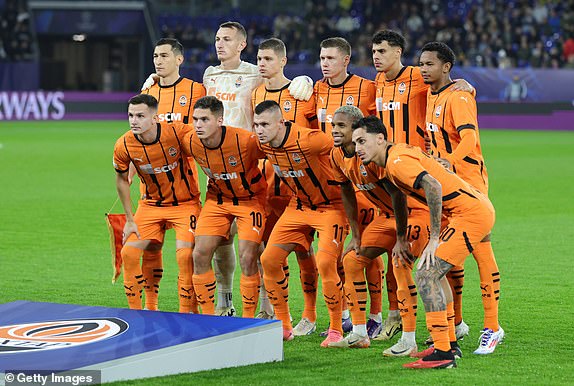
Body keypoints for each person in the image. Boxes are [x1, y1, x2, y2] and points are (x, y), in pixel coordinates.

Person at [351, 115, 497, 369]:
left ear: (380, 138)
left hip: (470, 215)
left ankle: (442, 354)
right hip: (469, 210)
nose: (358, 148)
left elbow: (433, 185)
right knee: (436, 275)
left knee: (427, 273)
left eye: (362, 141)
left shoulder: (396, 162)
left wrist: (434, 237)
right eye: (355, 143)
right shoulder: (394, 158)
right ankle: (449, 344)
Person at [372, 30, 473, 340]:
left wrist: (468, 86)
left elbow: (452, 83)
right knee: (396, 250)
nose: (376, 56)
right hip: (389, 174)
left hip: (418, 174)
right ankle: (399, 315)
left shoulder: (418, 75)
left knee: (436, 253)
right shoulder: (377, 82)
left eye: (382, 50)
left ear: (399, 52)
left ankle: (453, 322)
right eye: (373, 51)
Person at [420, 41, 503, 355]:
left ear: (446, 67)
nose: (424, 69)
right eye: (422, 64)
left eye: (430, 64)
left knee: (482, 254)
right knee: (449, 258)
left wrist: (450, 160)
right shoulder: (430, 94)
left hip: (470, 186)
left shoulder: (459, 97)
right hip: (446, 186)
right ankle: (455, 326)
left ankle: (492, 327)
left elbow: (470, 137)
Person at [327, 106, 429, 357]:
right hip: (387, 217)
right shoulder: (337, 155)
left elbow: (399, 196)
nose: (335, 131)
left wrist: (402, 239)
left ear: (357, 130)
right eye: (333, 126)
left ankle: (409, 339)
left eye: (342, 126)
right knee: (351, 260)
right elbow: (347, 193)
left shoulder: (375, 155)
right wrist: (357, 235)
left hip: (415, 213)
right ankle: (360, 333)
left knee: (400, 262)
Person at [254, 100, 348, 346]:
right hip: (298, 206)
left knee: (327, 262)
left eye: (264, 124)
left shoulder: (310, 140)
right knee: (269, 259)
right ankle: (284, 326)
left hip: (331, 207)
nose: (259, 130)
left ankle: (336, 329)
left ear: (280, 123)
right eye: (256, 125)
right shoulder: (264, 144)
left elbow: (342, 145)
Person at [252, 37, 319, 330]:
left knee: (305, 251)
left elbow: (318, 137)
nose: (262, 64)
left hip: (301, 189)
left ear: (283, 61)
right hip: (266, 189)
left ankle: (310, 314)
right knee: (268, 250)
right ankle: (277, 312)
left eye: (268, 59)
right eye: (259, 59)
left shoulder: (301, 92)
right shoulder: (255, 94)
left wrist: (306, 79)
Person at [113, 94, 201, 313]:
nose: (134, 121)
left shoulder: (176, 132)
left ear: (155, 117)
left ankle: (186, 313)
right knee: (129, 254)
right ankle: (142, 311)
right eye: (131, 115)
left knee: (185, 255)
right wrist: (130, 219)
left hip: (185, 204)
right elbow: (122, 181)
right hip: (150, 205)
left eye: (140, 116)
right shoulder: (124, 144)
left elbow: (204, 145)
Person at [314, 36, 379, 335]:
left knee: (369, 253)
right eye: (321, 58)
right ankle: (348, 315)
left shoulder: (368, 88)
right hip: (335, 179)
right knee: (341, 255)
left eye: (330, 58)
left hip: (366, 180)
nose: (324, 63)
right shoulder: (315, 89)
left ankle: (375, 315)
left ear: (345, 60)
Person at [138, 38, 206, 312]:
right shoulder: (148, 91)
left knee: (185, 255)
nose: (158, 60)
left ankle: (187, 311)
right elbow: (137, 139)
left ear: (179, 59)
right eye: (155, 55)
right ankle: (150, 308)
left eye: (164, 55)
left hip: (184, 189)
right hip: (151, 192)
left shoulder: (196, 89)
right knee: (149, 250)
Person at [187, 96, 267, 318]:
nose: (198, 125)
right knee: (200, 254)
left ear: (220, 120)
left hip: (250, 200)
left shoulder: (246, 141)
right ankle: (209, 316)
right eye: (195, 119)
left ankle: (249, 319)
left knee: (248, 257)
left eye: (204, 119)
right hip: (217, 201)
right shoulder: (191, 141)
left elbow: (276, 151)